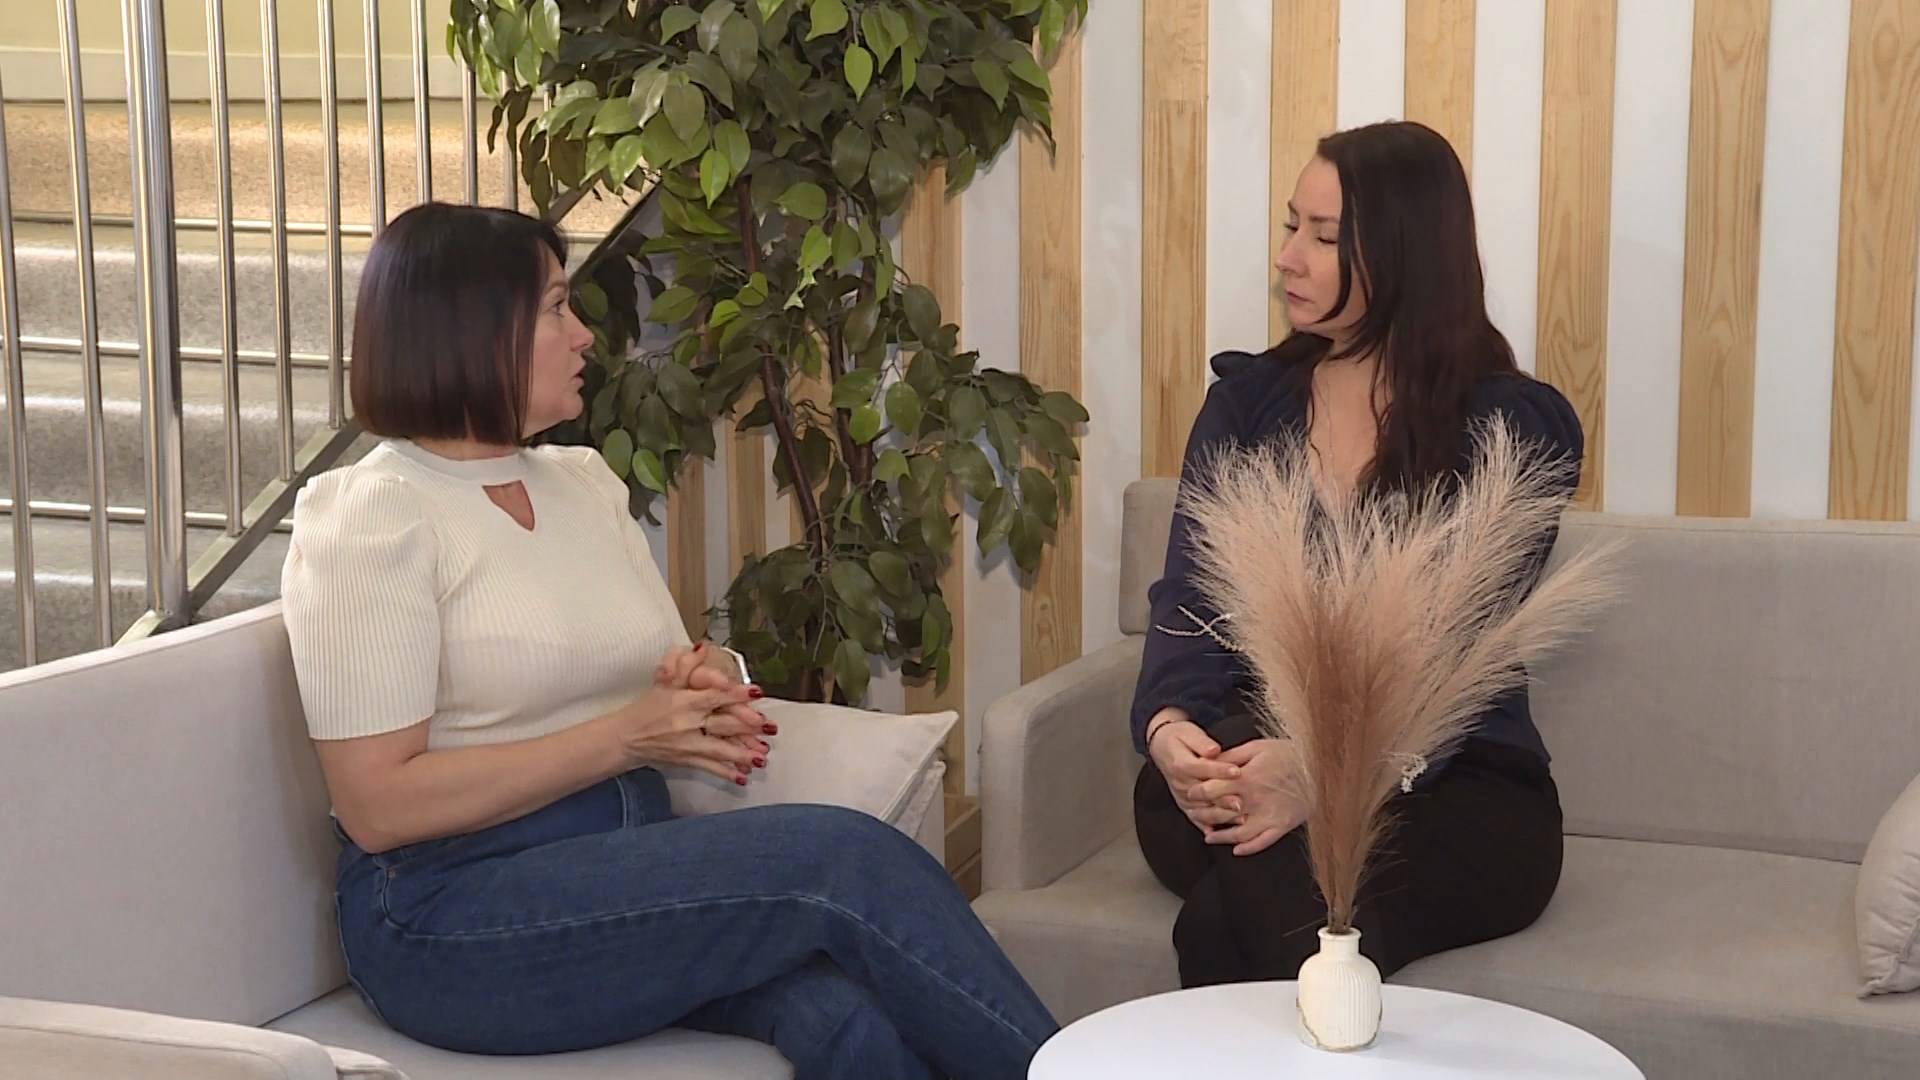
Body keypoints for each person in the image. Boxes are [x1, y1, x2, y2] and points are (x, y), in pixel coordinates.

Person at [281, 202, 1056, 1079]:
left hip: (623, 870)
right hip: (446, 912)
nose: (584, 335)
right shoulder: (372, 514)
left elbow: (658, 668)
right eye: (556, 307)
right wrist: (628, 736)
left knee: (844, 1018)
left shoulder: (581, 482)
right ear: (472, 328)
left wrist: (709, 677)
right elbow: (378, 806)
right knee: (844, 860)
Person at [1129, 121, 1581, 987]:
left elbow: (1447, 647)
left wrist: (1326, 772)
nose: (1288, 259)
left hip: (1443, 785)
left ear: (1404, 253)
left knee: (1226, 923)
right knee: (1228, 795)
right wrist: (1170, 730)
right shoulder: (1247, 408)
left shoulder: (1510, 429)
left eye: (1324, 237)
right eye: (1290, 226)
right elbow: (1188, 598)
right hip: (1245, 760)